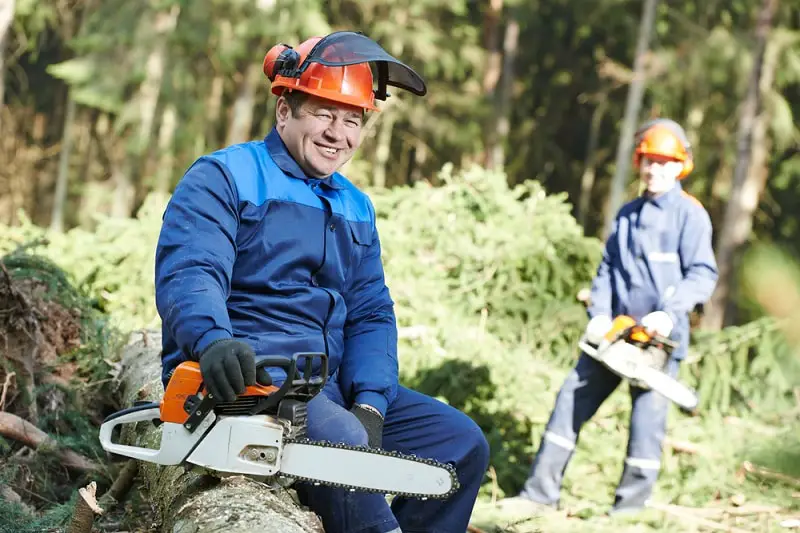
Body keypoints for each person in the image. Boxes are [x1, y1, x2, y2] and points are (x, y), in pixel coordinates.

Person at [153, 31, 489, 533]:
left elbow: (372, 310)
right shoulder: (225, 176)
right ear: (285, 111)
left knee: (460, 444)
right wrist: (212, 341)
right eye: (325, 114)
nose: (339, 133)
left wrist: (373, 400)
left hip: (323, 387)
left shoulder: (355, 205)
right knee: (347, 445)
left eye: (352, 120)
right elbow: (192, 269)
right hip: (249, 380)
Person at [499, 118, 718, 515]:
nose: (655, 170)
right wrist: (599, 315)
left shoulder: (691, 216)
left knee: (646, 429)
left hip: (657, 343)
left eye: (664, 163)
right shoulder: (628, 214)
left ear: (680, 166)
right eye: (649, 161)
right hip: (615, 338)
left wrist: (668, 314)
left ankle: (628, 513)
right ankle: (539, 495)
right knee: (569, 402)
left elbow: (703, 274)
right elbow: (607, 271)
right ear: (640, 163)